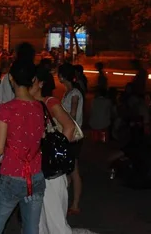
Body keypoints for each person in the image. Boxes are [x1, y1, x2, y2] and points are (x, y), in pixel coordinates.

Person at [0, 60, 45, 234]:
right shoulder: (39, 107)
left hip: (13, 174)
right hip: (36, 175)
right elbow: (39, 138)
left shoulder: (6, 109)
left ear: (10, 78)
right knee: (31, 228)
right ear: (33, 79)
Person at [30, 67, 77, 234]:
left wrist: (56, 155)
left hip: (51, 171)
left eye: (32, 80)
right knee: (39, 222)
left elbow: (69, 127)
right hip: (36, 168)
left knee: (55, 222)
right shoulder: (30, 104)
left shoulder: (50, 102)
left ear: (41, 83)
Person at [58, 62, 84, 215]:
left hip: (73, 137)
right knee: (68, 170)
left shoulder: (74, 93)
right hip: (69, 135)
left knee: (73, 170)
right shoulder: (68, 92)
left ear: (62, 76)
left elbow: (73, 114)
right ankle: (67, 201)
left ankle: (75, 204)